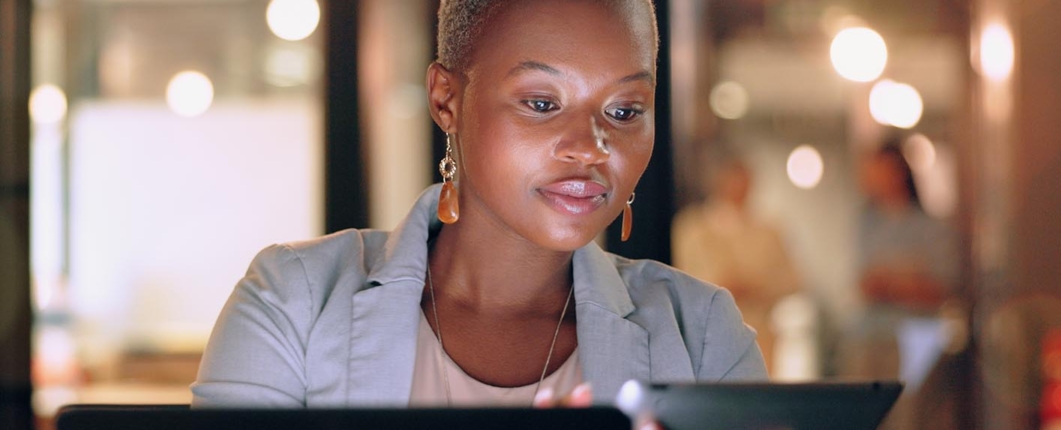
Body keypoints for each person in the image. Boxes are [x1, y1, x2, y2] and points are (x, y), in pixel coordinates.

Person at [192, 0, 767, 408]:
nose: (592, 147)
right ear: (447, 100)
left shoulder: (703, 336)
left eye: (624, 110)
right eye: (542, 102)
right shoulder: (291, 304)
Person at [841, 141, 959, 429]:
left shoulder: (930, 228)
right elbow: (861, 282)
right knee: (862, 416)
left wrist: (894, 285)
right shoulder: (866, 224)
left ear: (898, 172)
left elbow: (942, 287)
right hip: (869, 335)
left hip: (915, 334)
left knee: (908, 418)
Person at [672, 154, 800, 376]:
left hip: (760, 336)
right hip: (707, 337)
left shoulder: (769, 232)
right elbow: (682, 280)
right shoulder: (692, 228)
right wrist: (721, 286)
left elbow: (793, 280)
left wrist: (755, 287)